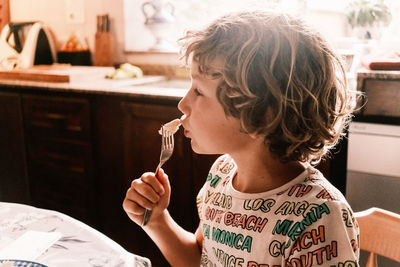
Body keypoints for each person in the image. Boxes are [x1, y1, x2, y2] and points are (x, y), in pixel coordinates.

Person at [123, 10, 360, 267]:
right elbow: (202, 260)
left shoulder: (318, 218)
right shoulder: (221, 175)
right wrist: (157, 221)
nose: (183, 104)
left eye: (199, 91)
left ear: (261, 117)